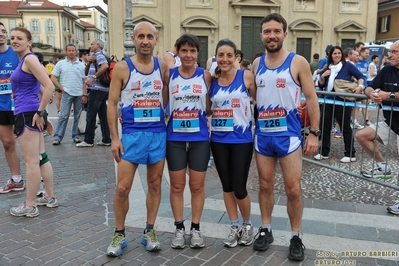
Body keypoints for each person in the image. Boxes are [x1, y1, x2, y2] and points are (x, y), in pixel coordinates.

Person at [251, 13, 320, 261]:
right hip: (263, 137)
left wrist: (313, 132)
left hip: (289, 137)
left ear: (285, 34)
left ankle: (295, 235)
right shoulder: (256, 65)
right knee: (265, 185)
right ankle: (266, 229)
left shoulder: (297, 61)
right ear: (261, 35)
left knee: (293, 189)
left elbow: (311, 98)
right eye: (267, 31)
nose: (272, 35)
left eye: (276, 31)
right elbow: (251, 94)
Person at [106, 21, 168, 256]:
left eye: (149, 36)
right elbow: (112, 104)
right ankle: (119, 234)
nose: (145, 41)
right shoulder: (123, 68)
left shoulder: (162, 66)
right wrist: (114, 137)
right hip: (131, 135)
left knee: (154, 184)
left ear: (156, 40)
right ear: (133, 39)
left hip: (157, 134)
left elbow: (165, 99)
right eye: (140, 36)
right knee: (123, 188)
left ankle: (149, 231)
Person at [165, 33, 212, 249]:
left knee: (196, 186)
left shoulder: (205, 75)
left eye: (192, 51)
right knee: (177, 185)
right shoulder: (170, 74)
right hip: (174, 138)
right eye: (184, 50)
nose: (188, 55)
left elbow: (211, 105)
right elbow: (162, 103)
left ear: (197, 53)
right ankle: (179, 227)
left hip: (199, 138)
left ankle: (195, 228)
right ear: (177, 51)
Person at [208, 39, 256, 248]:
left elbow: (260, 100)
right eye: (221, 55)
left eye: (229, 55)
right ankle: (234, 225)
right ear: (216, 57)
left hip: (241, 140)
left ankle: (247, 225)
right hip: (218, 140)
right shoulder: (212, 82)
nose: (225, 59)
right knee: (226, 186)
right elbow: (208, 109)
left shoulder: (245, 76)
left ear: (236, 57)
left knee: (239, 187)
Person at [9, 27, 57, 217]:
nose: (14, 41)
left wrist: (40, 112)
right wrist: (43, 116)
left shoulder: (29, 59)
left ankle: (29, 205)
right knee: (41, 157)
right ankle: (49, 196)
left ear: (29, 42)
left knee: (31, 162)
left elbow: (49, 86)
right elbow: (39, 86)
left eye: (19, 38)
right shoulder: (26, 61)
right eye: (12, 38)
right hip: (32, 113)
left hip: (27, 113)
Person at [355, 40, 399, 180]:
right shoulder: (387, 69)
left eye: (394, 52)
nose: (390, 55)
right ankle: (384, 168)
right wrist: (371, 94)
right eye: (390, 52)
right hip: (392, 122)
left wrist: (389, 95)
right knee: (362, 136)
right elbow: (369, 86)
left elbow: (388, 95)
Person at [315, 46, 365, 163]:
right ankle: (324, 152)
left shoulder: (347, 66)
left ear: (342, 55)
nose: (337, 55)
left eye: (339, 53)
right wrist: (323, 76)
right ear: (330, 55)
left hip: (343, 101)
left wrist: (360, 86)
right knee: (325, 126)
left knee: (345, 127)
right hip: (328, 100)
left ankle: (350, 153)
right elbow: (322, 85)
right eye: (334, 53)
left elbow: (361, 77)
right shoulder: (328, 67)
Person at [0, 22, 24, 194]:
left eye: (3, 31)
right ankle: (16, 180)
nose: (1, 34)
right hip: (1, 107)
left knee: (29, 143)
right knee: (8, 143)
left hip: (19, 105)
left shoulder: (16, 54)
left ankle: (40, 180)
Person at [76, 39, 111, 147]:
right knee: (103, 116)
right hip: (102, 89)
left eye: (92, 44)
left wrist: (93, 78)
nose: (90, 46)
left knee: (91, 115)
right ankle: (106, 139)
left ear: (98, 45)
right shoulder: (95, 56)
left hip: (97, 88)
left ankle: (88, 140)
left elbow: (105, 66)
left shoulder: (99, 55)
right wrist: (90, 62)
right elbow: (87, 72)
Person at [51, 44, 86, 145]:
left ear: (76, 52)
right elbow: (53, 77)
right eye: (69, 50)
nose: (71, 52)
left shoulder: (81, 65)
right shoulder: (60, 64)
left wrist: (85, 94)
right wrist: (61, 88)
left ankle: (76, 135)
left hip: (79, 93)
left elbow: (85, 81)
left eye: (73, 50)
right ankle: (57, 137)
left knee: (78, 116)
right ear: (66, 52)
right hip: (67, 93)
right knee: (63, 115)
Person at [352, 47, 370, 128]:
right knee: (357, 105)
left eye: (368, 53)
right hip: (357, 86)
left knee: (365, 104)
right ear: (361, 53)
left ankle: (366, 120)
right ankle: (354, 120)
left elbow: (367, 75)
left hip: (365, 85)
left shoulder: (367, 62)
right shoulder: (356, 62)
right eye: (366, 53)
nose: (367, 55)